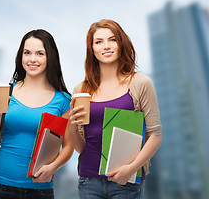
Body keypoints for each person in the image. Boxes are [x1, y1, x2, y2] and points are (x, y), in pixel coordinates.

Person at [69, 19, 162, 199]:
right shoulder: (80, 90)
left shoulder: (140, 83)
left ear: (121, 44)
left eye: (112, 40)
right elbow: (81, 148)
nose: (106, 46)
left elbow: (155, 135)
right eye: (99, 42)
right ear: (92, 49)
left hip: (126, 180)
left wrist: (131, 169)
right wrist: (72, 126)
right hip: (88, 181)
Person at [0, 29, 73, 199]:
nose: (32, 59)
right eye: (27, 53)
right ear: (21, 56)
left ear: (50, 57)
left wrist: (53, 167)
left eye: (40, 53)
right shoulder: (7, 91)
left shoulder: (63, 100)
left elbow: (68, 146)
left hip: (40, 189)